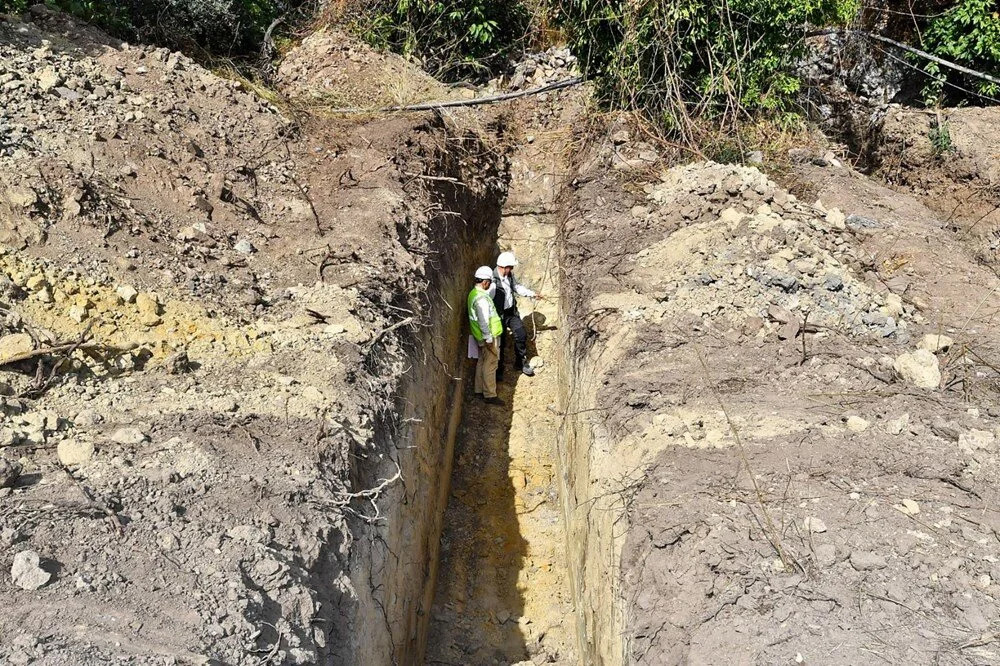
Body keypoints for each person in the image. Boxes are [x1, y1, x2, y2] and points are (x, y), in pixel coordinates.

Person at [490, 251, 543, 379]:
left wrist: (532, 294)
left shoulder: (509, 276)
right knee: (499, 343)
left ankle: (521, 363)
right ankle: (498, 370)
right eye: (510, 267)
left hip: (510, 312)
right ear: (503, 266)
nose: (511, 269)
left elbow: (516, 287)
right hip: (498, 315)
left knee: (521, 334)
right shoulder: (492, 280)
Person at [468, 266, 504, 405]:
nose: (489, 285)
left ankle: (479, 391)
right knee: (491, 364)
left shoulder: (473, 294)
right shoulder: (481, 298)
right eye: (489, 282)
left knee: (482, 362)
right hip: (489, 336)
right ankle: (490, 394)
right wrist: (488, 338)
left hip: (480, 336)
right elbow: (483, 320)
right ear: (484, 282)